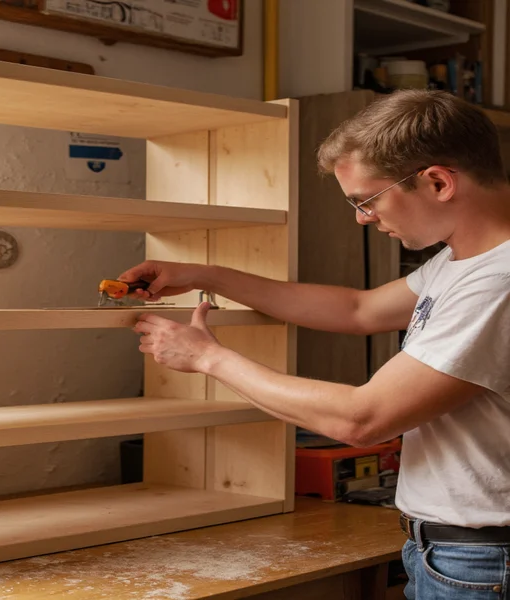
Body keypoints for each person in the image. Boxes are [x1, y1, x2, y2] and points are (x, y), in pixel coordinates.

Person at [119, 89, 510, 600]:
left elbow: (361, 419)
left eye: (366, 200)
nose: (362, 219)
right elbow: (357, 309)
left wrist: (206, 356)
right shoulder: (463, 261)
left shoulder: (496, 282)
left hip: (481, 558)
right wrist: (202, 274)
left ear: (437, 182)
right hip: (455, 550)